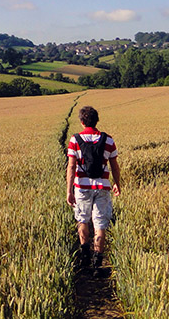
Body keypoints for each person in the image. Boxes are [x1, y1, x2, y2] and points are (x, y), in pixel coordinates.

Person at [66, 105, 121, 276]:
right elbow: (114, 165)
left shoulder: (75, 140)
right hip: (102, 186)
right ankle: (98, 263)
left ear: (82, 122)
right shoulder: (108, 140)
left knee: (82, 219)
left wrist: (69, 190)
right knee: (100, 223)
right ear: (97, 120)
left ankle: (84, 258)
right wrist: (117, 183)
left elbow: (72, 166)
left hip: (81, 187)